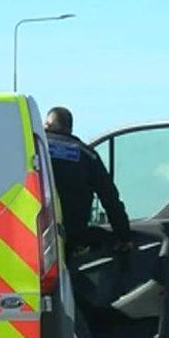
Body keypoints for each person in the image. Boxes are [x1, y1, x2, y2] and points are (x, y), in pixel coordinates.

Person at [44, 107, 132, 253]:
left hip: (36, 235)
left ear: (46, 126)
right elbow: (110, 199)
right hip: (73, 238)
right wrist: (124, 236)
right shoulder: (87, 155)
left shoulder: (33, 150)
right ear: (70, 129)